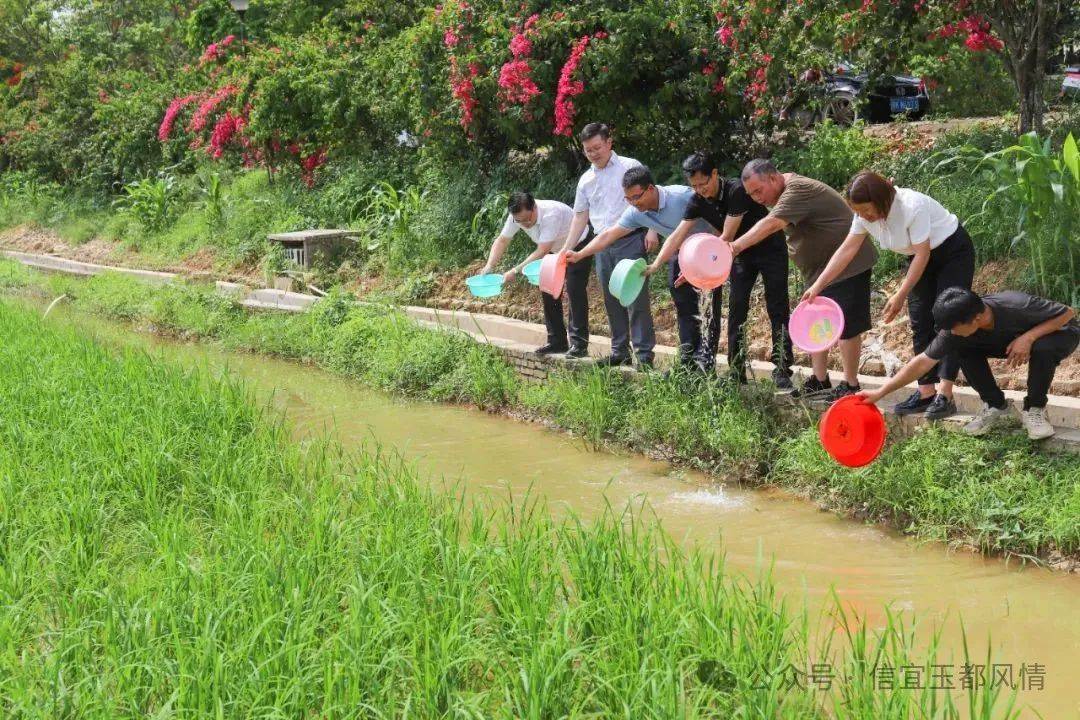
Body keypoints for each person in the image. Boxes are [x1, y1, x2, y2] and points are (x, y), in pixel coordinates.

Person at [802, 171, 975, 419]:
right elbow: (847, 249)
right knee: (919, 320)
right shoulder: (863, 217)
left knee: (949, 318)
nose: (864, 217)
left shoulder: (911, 206)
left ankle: (945, 395)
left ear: (882, 199)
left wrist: (900, 293)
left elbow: (923, 254)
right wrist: (818, 285)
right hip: (918, 257)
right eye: (859, 212)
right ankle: (926, 391)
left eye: (867, 211)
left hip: (951, 252)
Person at [732, 159, 878, 402]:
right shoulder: (779, 192)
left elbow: (771, 224)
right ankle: (819, 380)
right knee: (816, 321)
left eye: (759, 190)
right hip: (820, 270)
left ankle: (851, 384)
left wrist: (735, 246)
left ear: (773, 177)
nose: (757, 198)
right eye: (751, 194)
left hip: (848, 263)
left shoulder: (797, 190)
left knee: (848, 326)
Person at [645, 151, 794, 389]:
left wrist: (698, 269)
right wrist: (656, 264)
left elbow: (726, 237)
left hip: (768, 249)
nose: (700, 190)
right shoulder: (697, 200)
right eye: (694, 186)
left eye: (703, 184)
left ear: (715, 174)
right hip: (738, 255)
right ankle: (736, 369)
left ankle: (783, 368)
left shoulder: (736, 190)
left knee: (777, 305)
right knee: (736, 309)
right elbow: (677, 235)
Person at [858, 287, 1078, 439]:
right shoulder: (961, 326)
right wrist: (880, 393)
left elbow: (1068, 313)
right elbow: (923, 362)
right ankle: (996, 406)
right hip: (1010, 340)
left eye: (954, 328)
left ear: (976, 319)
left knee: (1043, 348)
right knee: (960, 345)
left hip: (1058, 331)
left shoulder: (1017, 305)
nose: (951, 332)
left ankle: (1035, 409)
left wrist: (1029, 338)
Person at [567, 164, 716, 373]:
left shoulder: (682, 197)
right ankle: (688, 363)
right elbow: (609, 235)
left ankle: (707, 365)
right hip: (681, 252)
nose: (634, 204)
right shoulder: (636, 212)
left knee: (708, 307)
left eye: (637, 197)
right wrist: (580, 254)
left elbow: (717, 219)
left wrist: (717, 252)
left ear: (651, 189)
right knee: (684, 307)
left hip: (711, 251)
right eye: (628, 199)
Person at [559, 123, 656, 368]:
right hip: (601, 245)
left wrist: (653, 230)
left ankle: (644, 355)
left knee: (636, 298)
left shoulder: (630, 166)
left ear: (609, 142)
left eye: (597, 147)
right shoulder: (586, 180)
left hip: (630, 240)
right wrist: (567, 249)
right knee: (612, 298)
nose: (594, 153)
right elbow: (580, 217)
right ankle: (619, 350)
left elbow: (653, 198)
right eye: (588, 150)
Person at [480, 191, 590, 356]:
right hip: (554, 248)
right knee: (548, 290)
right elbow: (502, 240)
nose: (525, 224)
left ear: (534, 208)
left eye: (528, 219)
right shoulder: (516, 217)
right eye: (519, 221)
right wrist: (489, 265)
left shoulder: (551, 214)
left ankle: (579, 344)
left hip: (578, 244)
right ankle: (557, 341)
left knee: (574, 290)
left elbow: (542, 250)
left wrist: (515, 270)